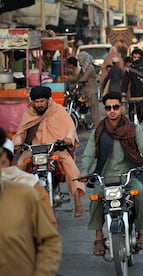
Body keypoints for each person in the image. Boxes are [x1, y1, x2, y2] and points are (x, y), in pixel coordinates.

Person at [79, 91, 143, 256]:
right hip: (104, 177)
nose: (112, 110)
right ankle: (99, 237)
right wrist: (84, 171)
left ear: (122, 108)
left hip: (129, 175)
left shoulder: (133, 129)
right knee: (96, 198)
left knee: (140, 194)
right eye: (108, 108)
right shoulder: (98, 131)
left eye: (115, 107)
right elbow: (89, 154)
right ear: (104, 110)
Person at [13, 86, 86, 217]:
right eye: (36, 101)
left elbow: (70, 128)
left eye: (42, 101)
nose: (39, 104)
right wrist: (18, 142)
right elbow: (21, 132)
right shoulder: (29, 113)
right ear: (32, 101)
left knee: (71, 167)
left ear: (48, 100)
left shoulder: (58, 111)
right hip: (34, 149)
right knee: (19, 165)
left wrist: (67, 140)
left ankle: (77, 201)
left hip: (55, 148)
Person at [0, 129, 62, 276]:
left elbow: (49, 236)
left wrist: (41, 270)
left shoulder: (28, 191)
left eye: (1, 162)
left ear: (10, 161)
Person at [0, 130, 58, 229]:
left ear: (12, 162)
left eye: (2, 162)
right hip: (28, 150)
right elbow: (21, 133)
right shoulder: (27, 118)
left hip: (50, 150)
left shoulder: (30, 185)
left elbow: (48, 232)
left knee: (68, 165)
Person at [77, 51, 100, 127]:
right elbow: (79, 77)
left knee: (94, 111)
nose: (79, 60)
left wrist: (78, 82)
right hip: (85, 91)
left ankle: (97, 126)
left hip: (91, 92)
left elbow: (84, 78)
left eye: (79, 58)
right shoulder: (83, 68)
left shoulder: (89, 67)